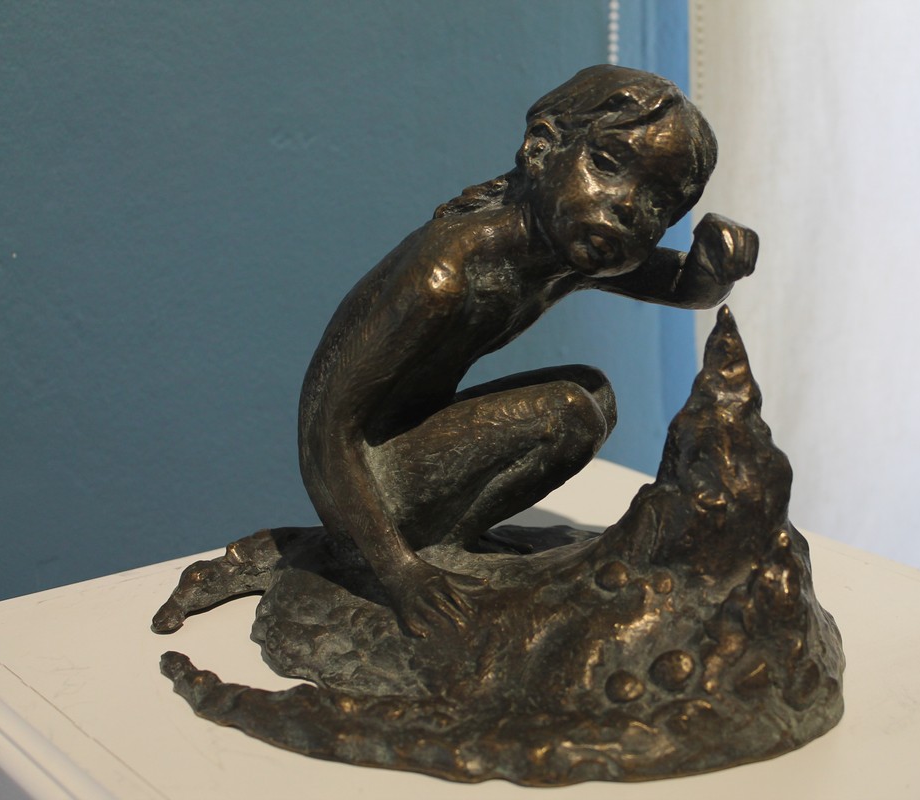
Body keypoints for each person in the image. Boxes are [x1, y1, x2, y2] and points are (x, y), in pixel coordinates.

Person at [298, 65, 758, 638]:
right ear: (541, 148)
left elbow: (681, 286)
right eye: (608, 164)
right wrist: (399, 572)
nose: (628, 207)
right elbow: (330, 431)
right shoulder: (446, 277)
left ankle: (453, 537)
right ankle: (422, 549)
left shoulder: (564, 249)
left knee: (594, 394)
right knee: (569, 411)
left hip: (402, 455)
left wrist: (714, 270)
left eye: (660, 205)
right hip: (356, 475)